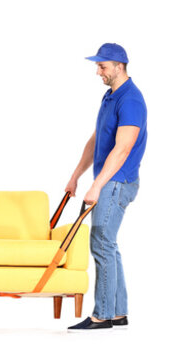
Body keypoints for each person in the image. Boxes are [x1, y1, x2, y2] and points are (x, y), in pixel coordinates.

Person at [66, 43, 146, 332]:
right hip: (107, 181)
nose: (98, 71)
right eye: (97, 66)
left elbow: (123, 149)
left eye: (102, 66)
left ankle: (101, 316)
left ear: (119, 66)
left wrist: (97, 186)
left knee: (101, 243)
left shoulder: (131, 100)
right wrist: (77, 176)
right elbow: (97, 139)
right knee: (109, 245)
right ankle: (118, 313)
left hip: (117, 182)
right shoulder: (110, 96)